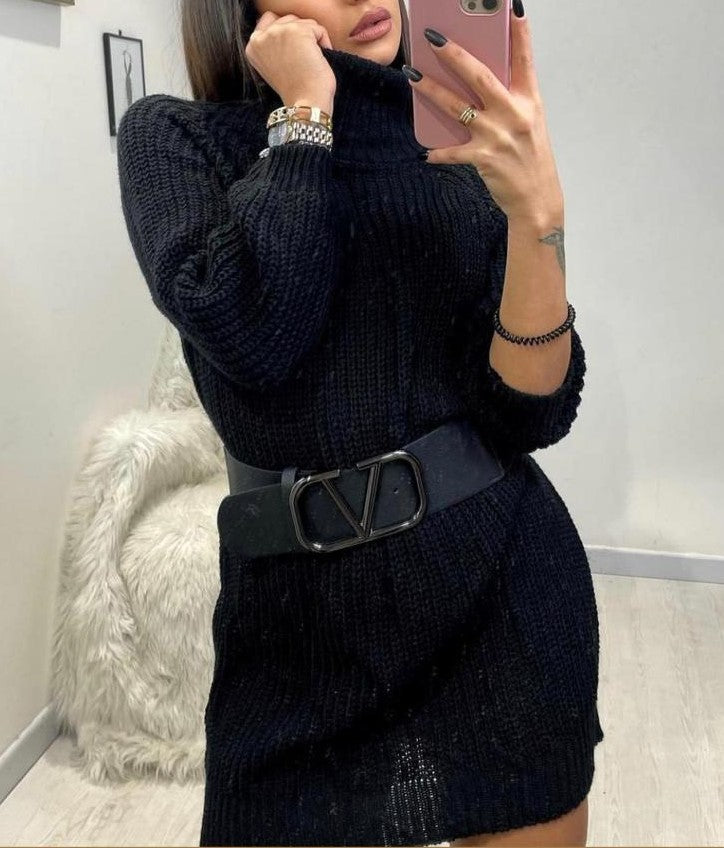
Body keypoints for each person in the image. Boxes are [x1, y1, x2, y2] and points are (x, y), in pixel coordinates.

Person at [115, 0, 604, 844]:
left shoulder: (452, 139)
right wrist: (305, 114)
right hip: (297, 633)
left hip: (502, 596)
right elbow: (253, 336)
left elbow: (531, 410)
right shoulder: (178, 139)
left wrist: (538, 218)